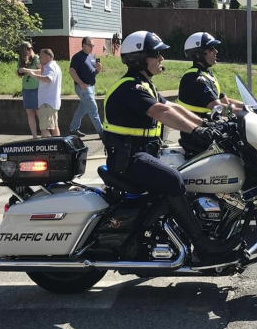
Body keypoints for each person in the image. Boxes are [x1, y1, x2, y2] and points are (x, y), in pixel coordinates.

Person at [103, 31, 242, 265]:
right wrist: (196, 131)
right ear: (139, 59)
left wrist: (207, 124)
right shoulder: (130, 88)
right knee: (173, 179)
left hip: (143, 154)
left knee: (187, 174)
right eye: (156, 54)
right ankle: (203, 245)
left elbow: (176, 108)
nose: (161, 59)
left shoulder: (147, 86)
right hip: (128, 159)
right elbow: (162, 112)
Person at [177, 32, 243, 153]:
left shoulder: (207, 75)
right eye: (211, 48)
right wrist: (247, 114)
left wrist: (252, 107)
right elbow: (218, 107)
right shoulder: (195, 78)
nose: (216, 51)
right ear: (199, 54)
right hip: (198, 136)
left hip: (209, 131)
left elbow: (226, 102)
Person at [21, 49, 62, 137]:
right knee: (54, 127)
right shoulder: (54, 66)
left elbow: (48, 79)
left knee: (44, 128)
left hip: (47, 103)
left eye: (41, 57)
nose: (39, 58)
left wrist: (34, 75)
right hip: (52, 102)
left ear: (48, 57)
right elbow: (45, 75)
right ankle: (57, 148)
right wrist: (42, 67)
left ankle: (47, 148)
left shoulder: (50, 67)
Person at [68, 37, 103, 139]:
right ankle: (101, 131)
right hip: (83, 87)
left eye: (93, 46)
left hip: (91, 86)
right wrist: (81, 84)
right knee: (93, 108)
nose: (92, 47)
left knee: (82, 109)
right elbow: (72, 71)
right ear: (83, 45)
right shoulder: (77, 57)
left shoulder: (91, 56)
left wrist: (98, 69)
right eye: (90, 45)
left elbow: (93, 73)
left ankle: (73, 129)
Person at [16, 41, 40, 139]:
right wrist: (19, 71)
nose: (30, 50)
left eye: (31, 48)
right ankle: (34, 136)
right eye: (28, 49)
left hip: (36, 88)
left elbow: (41, 70)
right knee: (30, 114)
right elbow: (18, 74)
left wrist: (28, 70)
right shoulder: (21, 60)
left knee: (39, 113)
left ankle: (44, 134)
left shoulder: (36, 58)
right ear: (23, 50)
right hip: (26, 89)